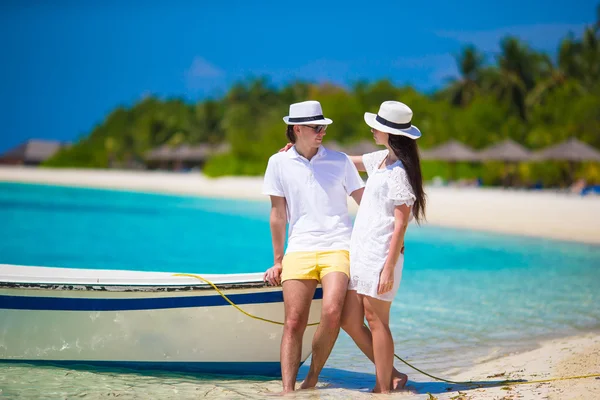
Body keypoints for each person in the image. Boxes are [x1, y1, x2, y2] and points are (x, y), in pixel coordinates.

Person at [262, 100, 365, 393]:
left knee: (332, 311)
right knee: (293, 322)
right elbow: (278, 215)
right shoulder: (277, 163)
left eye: (324, 127)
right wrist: (278, 260)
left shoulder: (340, 161)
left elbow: (365, 204)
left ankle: (312, 379)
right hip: (300, 248)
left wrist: (388, 238)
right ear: (297, 129)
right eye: (316, 127)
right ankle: (287, 392)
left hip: (338, 246)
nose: (322, 131)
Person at [341, 100, 426, 393]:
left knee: (376, 320)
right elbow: (344, 160)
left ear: (390, 132)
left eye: (377, 125)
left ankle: (383, 388)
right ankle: (393, 374)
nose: (372, 128)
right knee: (350, 320)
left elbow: (401, 223)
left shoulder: (400, 171)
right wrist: (303, 152)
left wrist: (389, 265)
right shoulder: (380, 160)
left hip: (382, 254)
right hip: (362, 251)